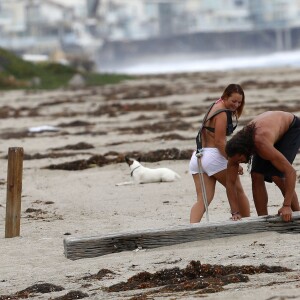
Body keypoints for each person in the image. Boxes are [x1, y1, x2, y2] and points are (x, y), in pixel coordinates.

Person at [189, 84, 250, 223]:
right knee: (238, 190)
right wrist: (232, 161)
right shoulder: (222, 113)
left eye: (239, 102)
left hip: (198, 156)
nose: (236, 105)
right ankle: (248, 223)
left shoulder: (215, 105)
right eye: (233, 101)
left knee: (203, 200)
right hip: (213, 156)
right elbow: (220, 143)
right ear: (225, 97)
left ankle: (192, 229)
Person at [225, 111, 300, 222]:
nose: (239, 162)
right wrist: (235, 212)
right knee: (256, 175)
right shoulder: (234, 152)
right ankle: (263, 219)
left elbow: (291, 172)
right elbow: (230, 183)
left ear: (246, 150)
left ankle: (297, 213)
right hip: (269, 131)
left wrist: (286, 205)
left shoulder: (261, 144)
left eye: (240, 159)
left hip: (290, 128)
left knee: (277, 176)